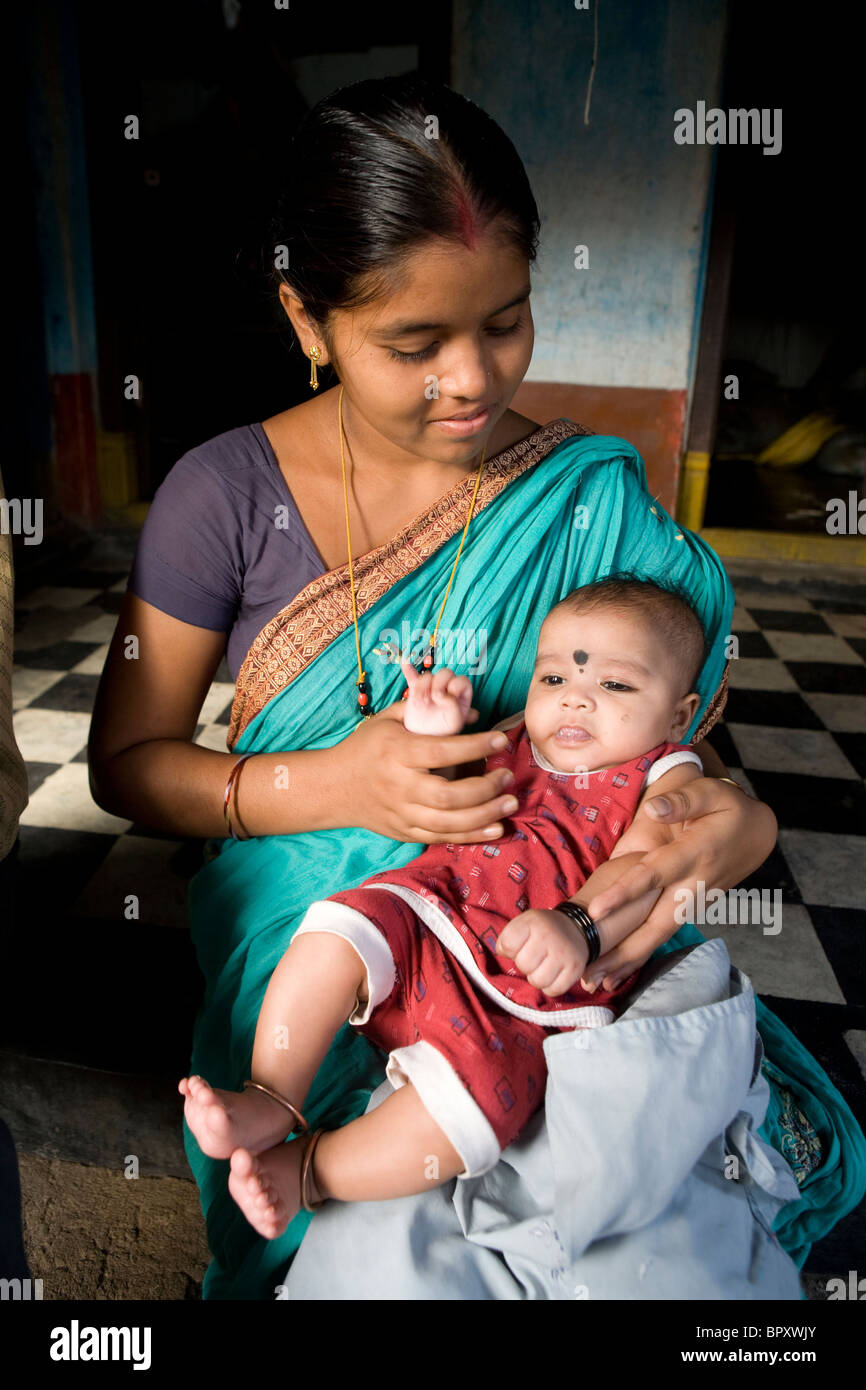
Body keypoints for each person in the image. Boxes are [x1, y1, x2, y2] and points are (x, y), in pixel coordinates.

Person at [88, 74, 865, 1299]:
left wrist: (722, 824)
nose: (472, 380)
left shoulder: (580, 502)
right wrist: (337, 781)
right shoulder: (221, 495)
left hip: (546, 918)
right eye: (414, 344)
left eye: (504, 322)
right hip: (338, 938)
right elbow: (127, 766)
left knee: (635, 1216)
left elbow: (643, 751)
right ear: (306, 316)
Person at [181, 576, 715, 1235]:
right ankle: (271, 1094)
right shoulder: (519, 735)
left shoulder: (665, 772)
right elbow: (454, 804)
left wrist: (580, 926)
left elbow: (645, 868)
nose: (575, 700)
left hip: (523, 993)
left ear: (677, 715)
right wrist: (437, 740)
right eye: (553, 681)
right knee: (335, 929)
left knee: (473, 1113)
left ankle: (309, 1172)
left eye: (616, 686)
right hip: (432, 916)